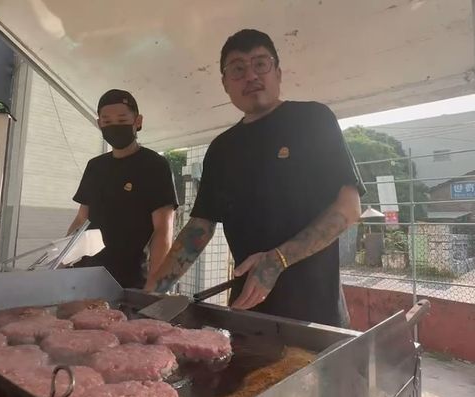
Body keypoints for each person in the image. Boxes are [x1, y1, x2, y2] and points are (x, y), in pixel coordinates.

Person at [144, 29, 365, 327]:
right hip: (249, 313)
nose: (250, 75)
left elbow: (348, 209)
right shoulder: (221, 148)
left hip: (316, 315)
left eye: (260, 64)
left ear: (278, 72)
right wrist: (150, 292)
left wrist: (277, 260)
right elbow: (199, 229)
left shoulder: (313, 120)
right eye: (237, 69)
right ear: (225, 84)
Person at [67, 89, 179, 289]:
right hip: (85, 274)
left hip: (130, 281)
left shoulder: (154, 165)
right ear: (99, 124)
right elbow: (81, 219)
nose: (114, 126)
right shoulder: (95, 166)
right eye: (107, 121)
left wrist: (155, 284)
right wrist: (63, 261)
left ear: (138, 121)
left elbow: (163, 229)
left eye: (121, 119)